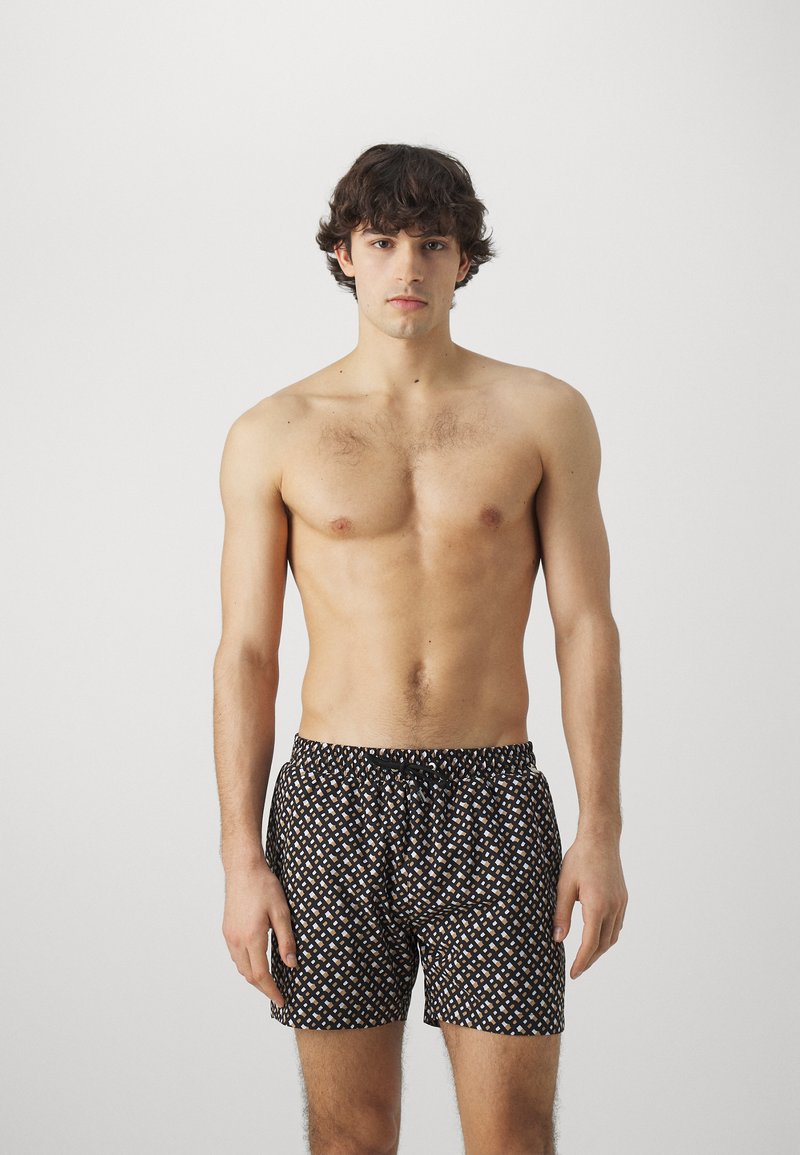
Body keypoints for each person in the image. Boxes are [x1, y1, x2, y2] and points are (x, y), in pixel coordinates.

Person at [213, 142, 628, 1155]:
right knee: (350, 1135)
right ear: (344, 255)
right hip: (331, 802)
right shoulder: (276, 430)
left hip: (492, 799)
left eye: (432, 244)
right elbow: (246, 655)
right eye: (382, 241)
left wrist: (600, 827)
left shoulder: (542, 413)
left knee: (513, 1133)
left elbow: (584, 626)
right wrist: (239, 856)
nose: (407, 267)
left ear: (464, 260)